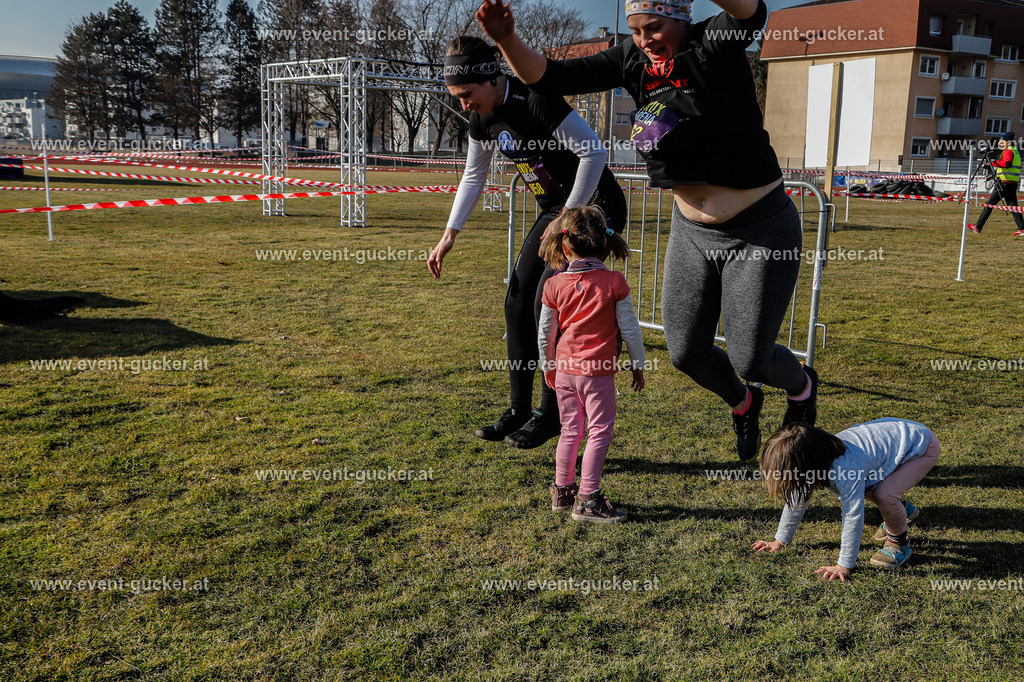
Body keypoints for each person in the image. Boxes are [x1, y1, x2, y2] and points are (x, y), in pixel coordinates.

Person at [476, 0, 817, 462]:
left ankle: (800, 388)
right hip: (692, 231)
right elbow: (550, 78)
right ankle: (745, 402)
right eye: (635, 30)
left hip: (759, 228)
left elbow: (750, 13)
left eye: (654, 28)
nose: (644, 40)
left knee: (750, 358)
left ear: (681, 17)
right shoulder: (630, 59)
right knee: (685, 353)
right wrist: (506, 39)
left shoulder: (713, 41)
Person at [428, 35, 628, 449]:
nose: (463, 103)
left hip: (593, 206)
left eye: (466, 94)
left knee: (547, 303)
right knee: (517, 302)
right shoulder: (481, 118)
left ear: (490, 78)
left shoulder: (536, 97)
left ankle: (549, 414)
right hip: (555, 210)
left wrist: (567, 221)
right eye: (456, 96)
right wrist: (449, 234)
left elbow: (593, 153)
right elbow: (473, 175)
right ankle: (519, 409)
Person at [538, 206, 645, 523]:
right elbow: (630, 328)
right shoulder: (614, 281)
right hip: (597, 373)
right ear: (604, 244)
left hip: (566, 370)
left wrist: (548, 366)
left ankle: (563, 491)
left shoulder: (554, 285)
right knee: (599, 432)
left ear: (564, 244)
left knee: (570, 431)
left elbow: (546, 331)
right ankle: (588, 499)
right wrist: (637, 364)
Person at [751, 419, 940, 581]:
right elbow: (798, 497)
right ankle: (900, 512)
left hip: (921, 446)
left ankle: (899, 543)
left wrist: (844, 565)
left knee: (885, 495)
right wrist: (779, 541)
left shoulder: (845, 468)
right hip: (895, 439)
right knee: (869, 490)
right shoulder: (819, 455)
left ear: (807, 463)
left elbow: (852, 515)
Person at [968, 131, 1023, 235]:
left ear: (1008, 142)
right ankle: (1021, 228)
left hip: (1004, 183)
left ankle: (978, 226)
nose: (1000, 144)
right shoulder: (1015, 151)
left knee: (989, 204)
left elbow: (1007, 164)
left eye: (1002, 142)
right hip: (1011, 182)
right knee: (1013, 206)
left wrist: (992, 163)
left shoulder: (1008, 151)